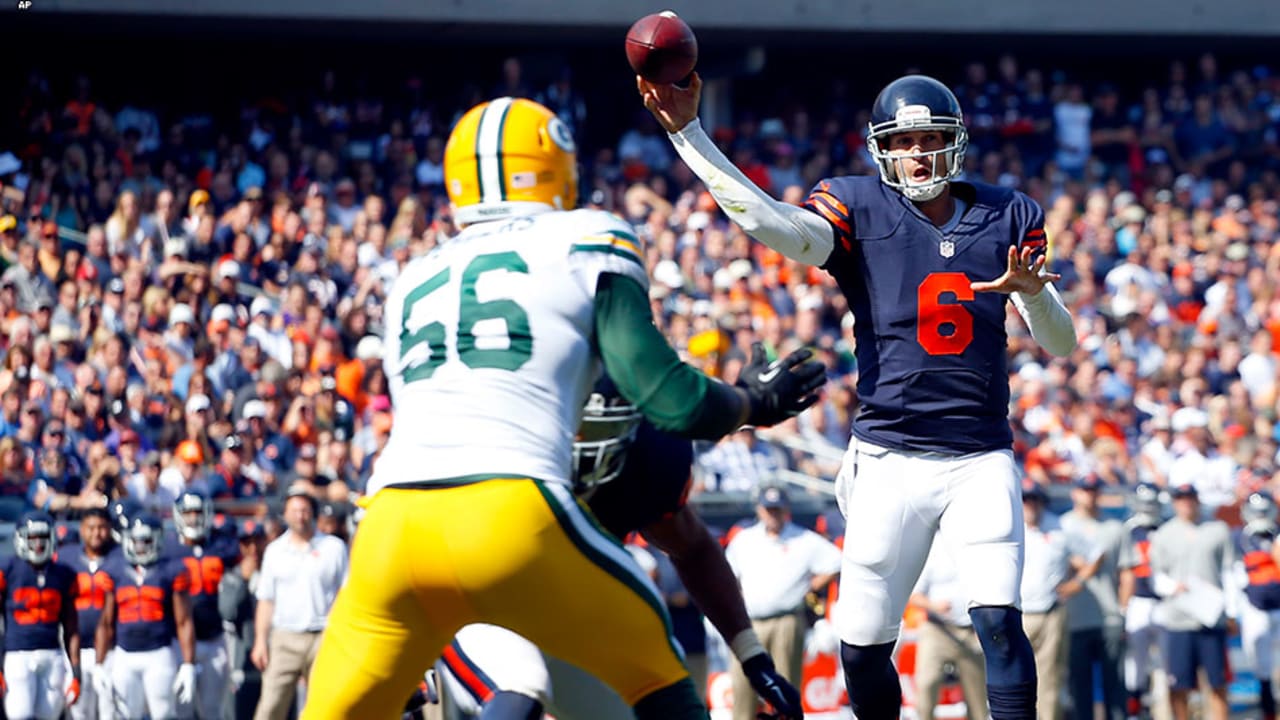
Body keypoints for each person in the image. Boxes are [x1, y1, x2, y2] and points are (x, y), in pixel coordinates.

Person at [301, 96, 824, 720]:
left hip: (389, 527)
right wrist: (753, 402)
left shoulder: (416, 274)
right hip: (509, 512)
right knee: (651, 679)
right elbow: (670, 398)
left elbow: (688, 541)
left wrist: (754, 659)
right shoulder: (586, 238)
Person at [640, 71, 1077, 720]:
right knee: (863, 646)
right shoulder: (857, 205)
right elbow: (776, 226)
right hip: (886, 458)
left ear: (955, 144)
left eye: (931, 139)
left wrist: (1033, 291)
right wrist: (689, 134)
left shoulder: (1007, 214)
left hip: (977, 455)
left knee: (999, 621)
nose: (919, 154)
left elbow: (1061, 343)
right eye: (904, 141)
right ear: (882, 148)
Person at [435, 374, 804, 720]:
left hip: (578, 609)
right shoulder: (501, 433)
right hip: (483, 599)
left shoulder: (648, 451)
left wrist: (752, 656)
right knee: (521, 687)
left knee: (671, 700)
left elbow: (691, 545)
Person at [725, 483, 840, 720]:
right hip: (749, 621)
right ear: (759, 510)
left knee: (785, 685)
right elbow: (728, 575)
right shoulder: (744, 540)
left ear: (786, 510)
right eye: (769, 509)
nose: (773, 514)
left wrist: (811, 586)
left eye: (777, 509)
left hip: (787, 619)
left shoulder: (803, 538)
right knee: (743, 685)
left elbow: (836, 560)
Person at [251, 488, 348, 720]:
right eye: (294, 510)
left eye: (305, 510)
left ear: (312, 513)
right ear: (285, 514)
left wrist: (336, 631)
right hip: (285, 636)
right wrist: (260, 641)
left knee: (323, 706)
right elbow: (266, 600)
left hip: (322, 635)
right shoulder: (275, 551)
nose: (300, 515)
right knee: (271, 706)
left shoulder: (333, 547)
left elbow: (345, 593)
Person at [94, 513, 197, 720]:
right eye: (136, 541)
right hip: (125, 655)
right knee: (125, 715)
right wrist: (99, 663)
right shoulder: (115, 570)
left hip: (158, 654)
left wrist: (188, 663)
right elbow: (105, 623)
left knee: (164, 714)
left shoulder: (171, 569)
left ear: (158, 540)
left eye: (146, 541)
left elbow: (184, 620)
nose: (140, 546)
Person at [1148, 484, 1233, 720]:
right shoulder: (1164, 533)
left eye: (1189, 498)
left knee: (1217, 682)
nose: (1186, 503)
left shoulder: (1217, 529)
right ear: (1174, 502)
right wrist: (1173, 587)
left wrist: (1231, 610)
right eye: (1180, 498)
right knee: (1178, 684)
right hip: (1178, 619)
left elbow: (1229, 570)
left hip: (1211, 617)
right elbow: (1156, 577)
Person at [0, 511, 81, 720]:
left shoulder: (64, 574)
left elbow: (71, 628)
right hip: (17, 653)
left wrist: (76, 673)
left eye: (42, 537)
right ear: (21, 538)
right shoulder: (7, 570)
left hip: (51, 654)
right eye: (32, 537)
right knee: (20, 714)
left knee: (49, 715)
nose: (37, 543)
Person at [166, 489, 240, 719]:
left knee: (213, 710)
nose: (193, 518)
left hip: (214, 637)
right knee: (181, 710)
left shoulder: (220, 546)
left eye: (198, 512)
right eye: (188, 513)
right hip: (178, 641)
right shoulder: (169, 551)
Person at [1058, 476, 1126, 720]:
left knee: (1114, 685)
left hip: (1108, 615)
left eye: (1094, 490)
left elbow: (1126, 572)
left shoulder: (1115, 527)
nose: (1089, 495)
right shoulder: (1062, 525)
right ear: (1075, 493)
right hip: (1076, 615)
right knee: (1079, 687)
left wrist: (1123, 609)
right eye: (1085, 489)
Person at [909, 543, 988, 720]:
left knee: (977, 695)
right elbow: (914, 595)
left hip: (970, 630)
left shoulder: (979, 547)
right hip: (937, 629)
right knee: (927, 683)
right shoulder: (932, 548)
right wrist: (934, 606)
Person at [58, 507, 118, 720]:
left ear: (110, 529)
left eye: (102, 527)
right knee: (79, 713)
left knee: (110, 713)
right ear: (82, 530)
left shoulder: (118, 557)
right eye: (91, 527)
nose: (96, 533)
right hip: (76, 651)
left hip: (112, 651)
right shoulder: (66, 559)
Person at [1117, 482, 1164, 720]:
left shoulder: (1165, 529)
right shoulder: (1128, 529)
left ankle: (1162, 711)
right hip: (1137, 600)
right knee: (1135, 661)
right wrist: (1123, 605)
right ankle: (1134, 712)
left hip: (1164, 601)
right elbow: (1122, 570)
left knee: (1164, 664)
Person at [1234, 491, 1280, 720]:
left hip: (1278, 605)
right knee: (1260, 665)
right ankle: (1268, 711)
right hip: (1254, 606)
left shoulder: (1277, 535)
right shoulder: (1240, 538)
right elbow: (1234, 575)